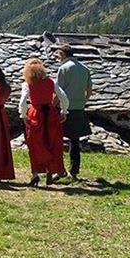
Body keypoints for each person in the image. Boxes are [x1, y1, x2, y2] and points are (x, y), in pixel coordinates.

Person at [18, 57, 68, 186]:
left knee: (34, 144)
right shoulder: (51, 82)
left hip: (35, 114)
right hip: (50, 114)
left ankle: (35, 174)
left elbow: (23, 101)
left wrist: (23, 115)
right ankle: (49, 171)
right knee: (51, 142)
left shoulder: (27, 84)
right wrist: (64, 111)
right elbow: (63, 97)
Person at [56, 43, 94, 178]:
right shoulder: (84, 69)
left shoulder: (63, 68)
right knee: (75, 141)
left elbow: (58, 91)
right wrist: (83, 101)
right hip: (79, 108)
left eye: (58, 55)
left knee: (57, 140)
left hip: (64, 109)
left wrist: (54, 105)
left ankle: (58, 170)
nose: (57, 58)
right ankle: (74, 171)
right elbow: (89, 91)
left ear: (64, 54)